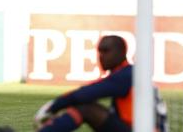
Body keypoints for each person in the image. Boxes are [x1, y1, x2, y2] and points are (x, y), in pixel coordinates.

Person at [34, 35, 168, 132]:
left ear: (122, 52)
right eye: (99, 51)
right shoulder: (128, 73)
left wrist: (52, 107)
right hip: (137, 127)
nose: (101, 56)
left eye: (106, 51)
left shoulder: (126, 75)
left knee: (87, 109)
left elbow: (83, 94)